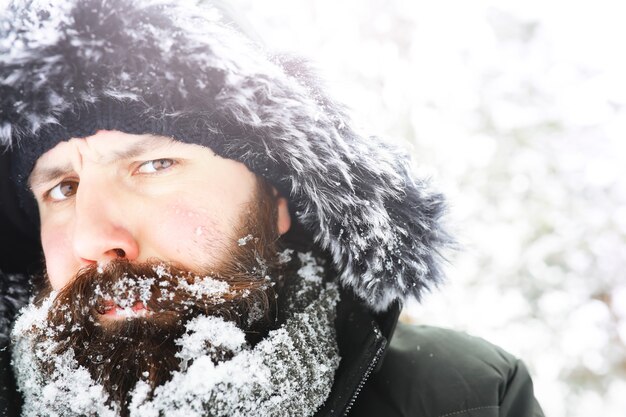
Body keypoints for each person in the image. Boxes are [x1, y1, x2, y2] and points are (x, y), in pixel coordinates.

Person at [0, 1, 545, 416]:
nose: (92, 238)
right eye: (64, 189)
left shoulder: (468, 397)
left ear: (278, 197)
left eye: (155, 166)